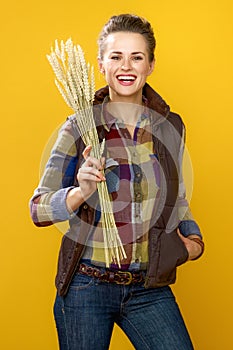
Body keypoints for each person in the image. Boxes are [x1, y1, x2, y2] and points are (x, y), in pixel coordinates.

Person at [30, 13, 204, 350]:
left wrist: (193, 242)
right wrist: (81, 192)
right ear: (101, 64)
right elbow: (38, 209)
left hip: (148, 288)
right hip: (86, 286)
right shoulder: (78, 127)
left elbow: (176, 199)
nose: (127, 66)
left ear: (150, 65)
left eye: (137, 57)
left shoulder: (171, 127)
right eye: (116, 56)